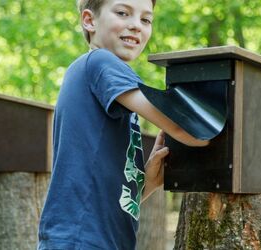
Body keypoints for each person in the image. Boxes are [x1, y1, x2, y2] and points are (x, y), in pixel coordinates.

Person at [38, 0, 209, 249]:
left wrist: (147, 181)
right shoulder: (99, 63)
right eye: (122, 13)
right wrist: (224, 140)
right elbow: (183, 127)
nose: (136, 26)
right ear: (89, 20)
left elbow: (105, 199)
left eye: (145, 19)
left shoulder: (103, 82)